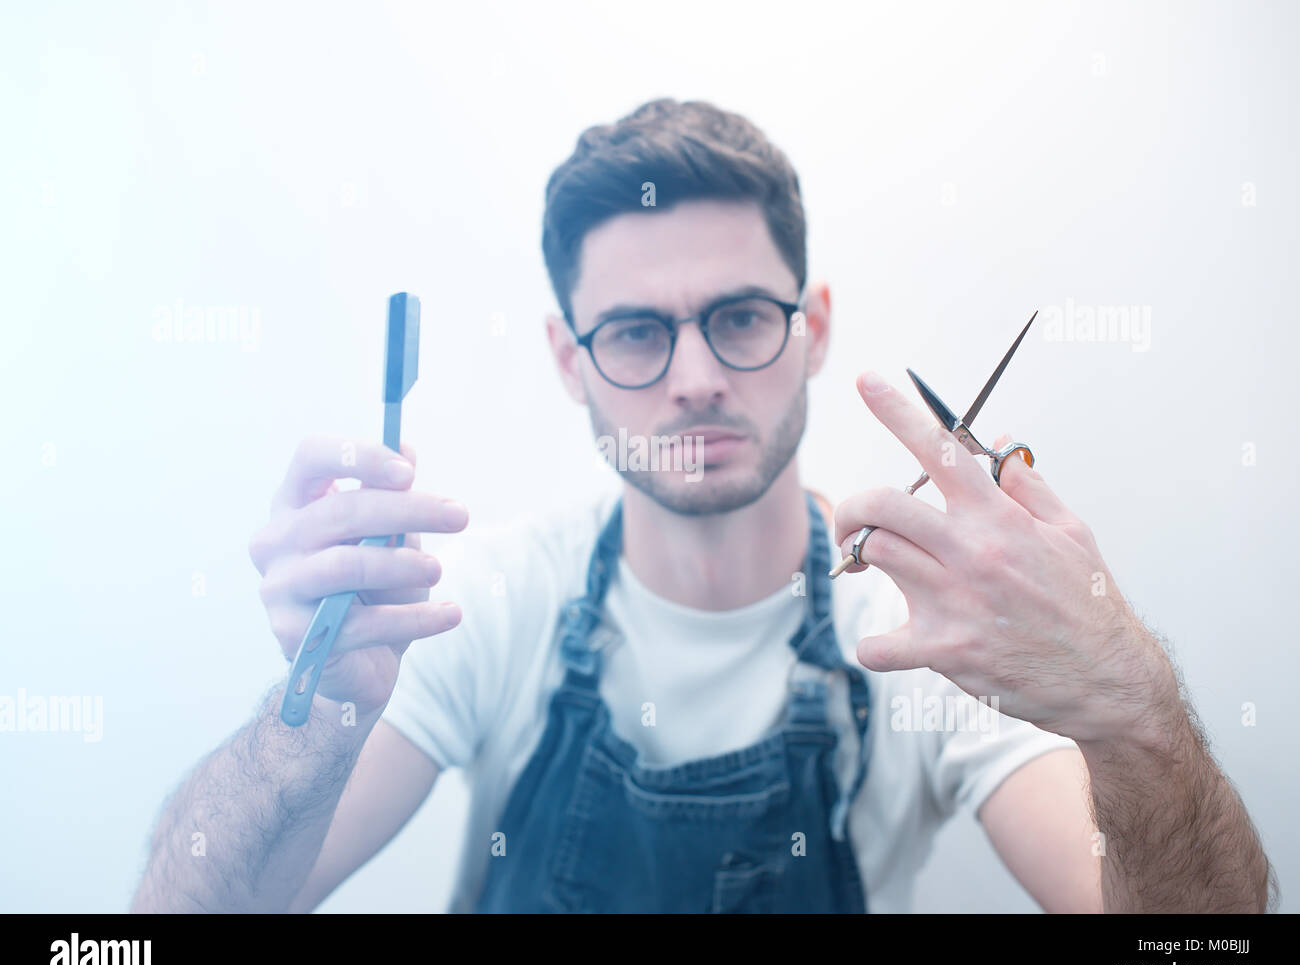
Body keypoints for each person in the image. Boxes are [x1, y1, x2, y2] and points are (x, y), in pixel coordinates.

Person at [132, 98, 1274, 914]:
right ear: (569, 359)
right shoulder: (467, 608)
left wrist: (1131, 708)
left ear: (812, 326)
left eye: (737, 317)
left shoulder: (937, 635)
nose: (693, 376)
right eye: (635, 331)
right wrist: (313, 719)